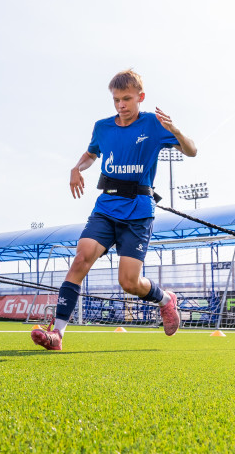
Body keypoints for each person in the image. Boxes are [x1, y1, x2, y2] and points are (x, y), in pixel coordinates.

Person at [32, 69, 197, 351]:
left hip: (139, 211)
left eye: (127, 99)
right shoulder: (102, 127)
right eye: (116, 100)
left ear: (140, 97)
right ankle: (57, 334)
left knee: (129, 283)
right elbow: (91, 153)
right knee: (81, 258)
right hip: (106, 207)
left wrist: (176, 131)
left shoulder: (154, 124)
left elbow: (192, 151)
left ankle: (166, 300)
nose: (121, 105)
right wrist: (76, 167)